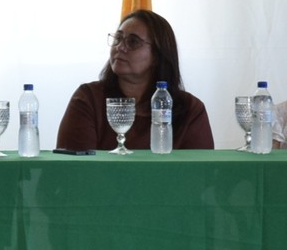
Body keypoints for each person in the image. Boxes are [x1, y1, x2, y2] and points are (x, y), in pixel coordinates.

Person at [55, 10, 214, 151]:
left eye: (133, 42)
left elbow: (202, 176)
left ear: (157, 56)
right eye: (118, 39)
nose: (120, 47)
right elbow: (73, 170)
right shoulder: (88, 98)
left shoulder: (190, 110)